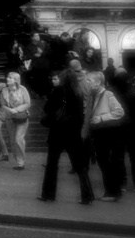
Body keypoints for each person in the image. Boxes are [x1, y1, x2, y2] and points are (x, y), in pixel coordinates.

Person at [39, 59, 95, 204]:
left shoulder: (58, 90)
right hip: (73, 133)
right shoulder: (78, 93)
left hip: (57, 132)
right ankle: (87, 195)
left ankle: (48, 194)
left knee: (52, 164)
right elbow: (80, 115)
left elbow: (47, 108)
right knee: (80, 166)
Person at [81, 62, 127, 201]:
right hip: (99, 132)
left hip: (106, 132)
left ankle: (113, 192)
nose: (86, 82)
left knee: (105, 162)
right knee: (103, 162)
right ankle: (111, 191)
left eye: (89, 80)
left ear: (98, 82)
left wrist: (100, 118)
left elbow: (119, 111)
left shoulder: (107, 94)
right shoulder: (92, 95)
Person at [0, 71, 32, 170]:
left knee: (18, 139)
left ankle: (21, 161)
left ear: (15, 80)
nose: (7, 79)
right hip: (10, 118)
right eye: (8, 77)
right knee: (12, 140)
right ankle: (18, 162)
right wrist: (10, 110)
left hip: (21, 117)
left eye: (10, 77)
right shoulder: (4, 91)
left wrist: (16, 110)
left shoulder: (22, 89)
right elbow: (3, 104)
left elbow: (27, 103)